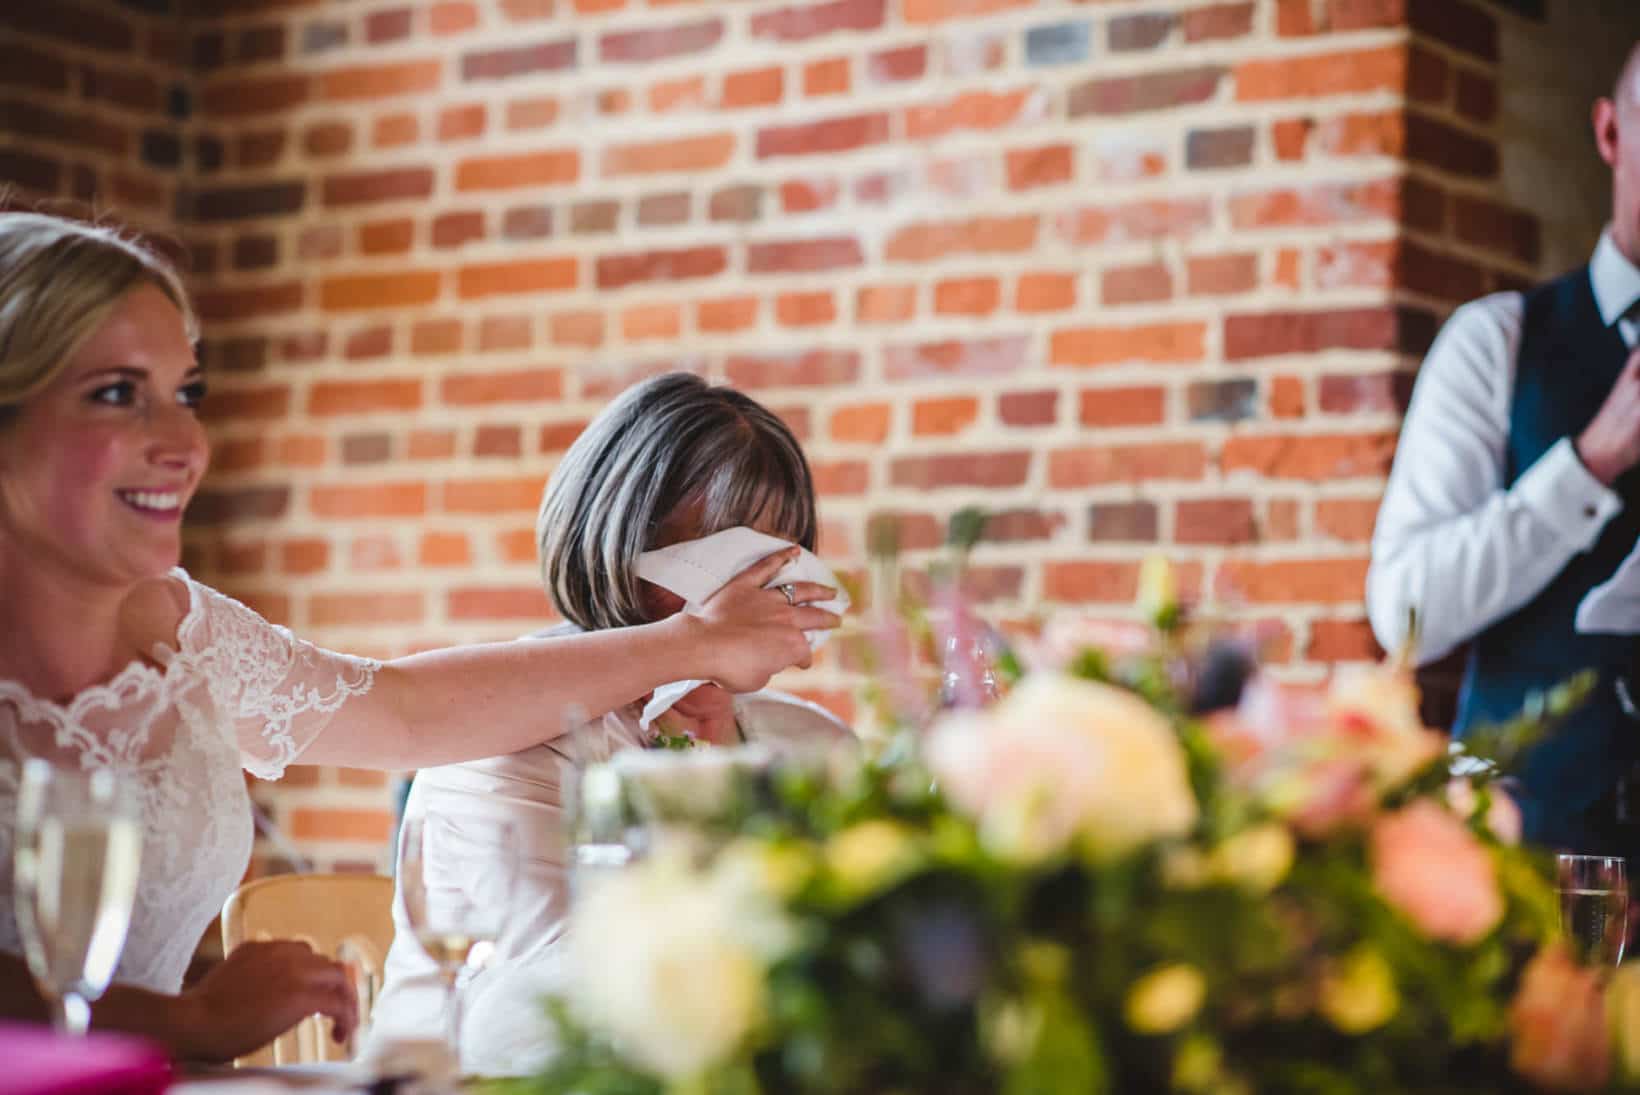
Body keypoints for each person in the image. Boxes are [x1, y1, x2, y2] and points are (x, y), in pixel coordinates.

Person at [0, 213, 840, 1061]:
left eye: (187, 393)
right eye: (117, 393)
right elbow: (535, 1029)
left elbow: (401, 708)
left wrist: (694, 646)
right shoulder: (506, 774)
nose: (186, 444)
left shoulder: (175, 623)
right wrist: (189, 1021)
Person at [366, 374, 854, 1074]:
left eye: (780, 557)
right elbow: (512, 1028)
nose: (758, 595)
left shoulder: (815, 746)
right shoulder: (502, 739)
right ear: (619, 541)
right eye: (720, 552)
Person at [1367, 42, 1640, 853]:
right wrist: (1590, 463)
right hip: (1525, 864)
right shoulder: (1497, 342)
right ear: (1609, 133)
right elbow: (1406, 610)